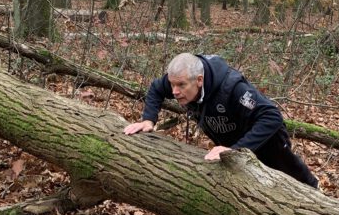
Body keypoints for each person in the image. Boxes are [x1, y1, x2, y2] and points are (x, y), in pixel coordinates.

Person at [124, 53, 319, 188]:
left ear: (199, 80)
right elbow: (157, 88)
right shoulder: (181, 79)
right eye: (172, 85)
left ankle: (314, 192)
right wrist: (148, 120)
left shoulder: (233, 88)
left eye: (181, 85)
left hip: (266, 140)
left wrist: (236, 149)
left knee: (287, 177)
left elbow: (271, 116)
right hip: (231, 143)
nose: (175, 92)